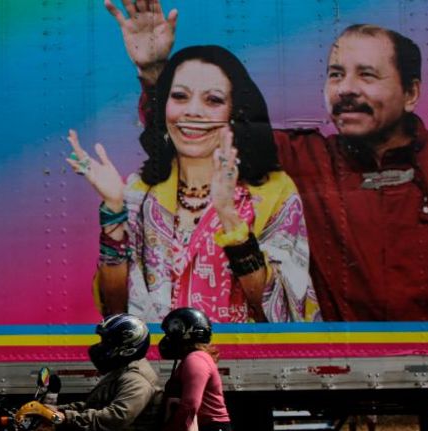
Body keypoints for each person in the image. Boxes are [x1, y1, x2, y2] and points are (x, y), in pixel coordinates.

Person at [106, 1, 428, 321]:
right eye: (336, 75)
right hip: (344, 371)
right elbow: (201, 131)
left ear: (412, 92)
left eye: (367, 75)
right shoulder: (305, 159)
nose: (346, 89)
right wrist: (155, 74)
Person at [66, 45, 320, 324]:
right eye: (180, 97)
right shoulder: (140, 193)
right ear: (164, 107)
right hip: (161, 361)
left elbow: (284, 313)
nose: (193, 112)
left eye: (213, 100)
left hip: (239, 361)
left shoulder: (274, 191)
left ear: (236, 112)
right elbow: (116, 310)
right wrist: (114, 208)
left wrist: (229, 218)